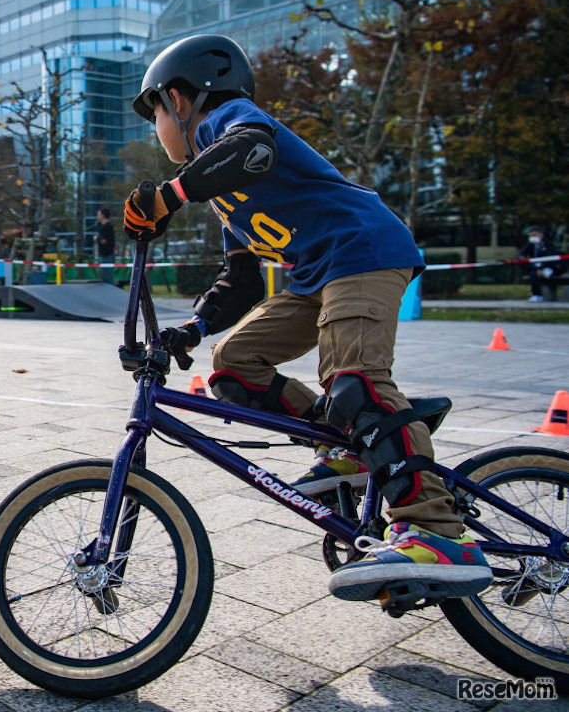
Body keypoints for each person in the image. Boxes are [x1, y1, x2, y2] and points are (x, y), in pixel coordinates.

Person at [123, 33, 489, 603]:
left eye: (156, 116)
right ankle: (347, 446)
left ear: (179, 97)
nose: (158, 129)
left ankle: (435, 529)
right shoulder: (221, 192)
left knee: (355, 381)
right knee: (234, 365)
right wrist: (191, 331)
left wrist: (169, 196)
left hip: (362, 251)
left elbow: (253, 149)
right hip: (318, 275)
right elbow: (240, 282)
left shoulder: (226, 121)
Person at [518, 228, 562, 303]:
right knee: (531, 270)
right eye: (530, 236)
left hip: (549, 266)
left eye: (534, 235)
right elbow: (522, 254)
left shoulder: (548, 245)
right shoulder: (530, 245)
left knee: (534, 274)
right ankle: (537, 295)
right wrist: (522, 257)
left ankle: (537, 295)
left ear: (541, 235)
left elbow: (550, 258)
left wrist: (542, 268)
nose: (532, 237)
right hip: (535, 266)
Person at [95, 207, 116, 285]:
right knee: (103, 278)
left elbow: (103, 240)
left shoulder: (107, 226)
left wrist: (96, 238)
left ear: (103, 215)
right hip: (103, 255)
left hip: (107, 255)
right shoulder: (101, 226)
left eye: (99, 214)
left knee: (108, 278)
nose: (97, 216)